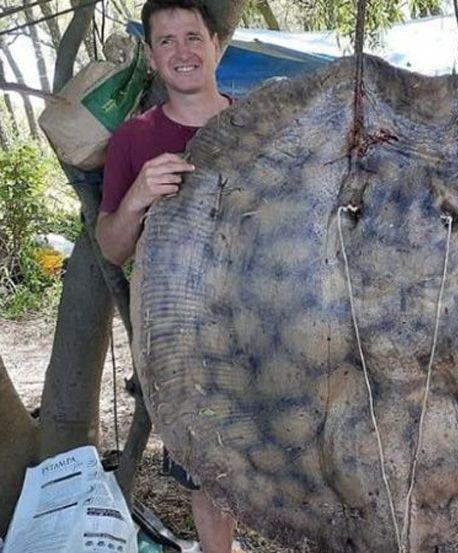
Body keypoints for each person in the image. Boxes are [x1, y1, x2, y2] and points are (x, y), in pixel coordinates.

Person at [96, 1, 237, 551]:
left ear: (216, 45)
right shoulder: (135, 139)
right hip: (181, 336)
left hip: (269, 322)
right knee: (205, 462)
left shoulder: (261, 124)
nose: (183, 51)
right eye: (167, 41)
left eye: (193, 37)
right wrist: (138, 196)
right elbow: (110, 249)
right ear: (152, 57)